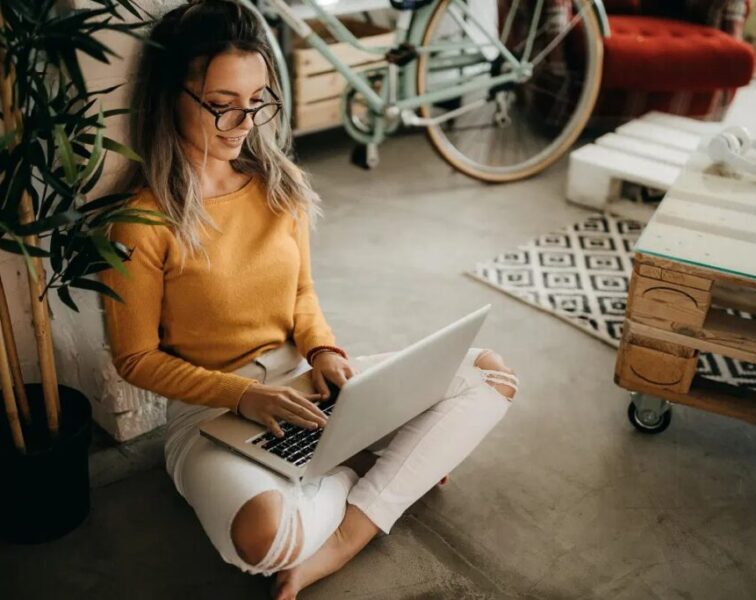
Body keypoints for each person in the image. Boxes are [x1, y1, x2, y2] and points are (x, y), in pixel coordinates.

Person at [98, 1, 519, 598]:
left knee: (489, 378)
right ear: (169, 96)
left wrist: (323, 350)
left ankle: (349, 533)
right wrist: (243, 395)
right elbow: (135, 359)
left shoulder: (278, 186)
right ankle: (374, 471)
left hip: (306, 389)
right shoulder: (141, 222)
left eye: (256, 101)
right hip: (212, 416)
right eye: (221, 106)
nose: (242, 123)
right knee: (265, 540)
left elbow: (300, 294)